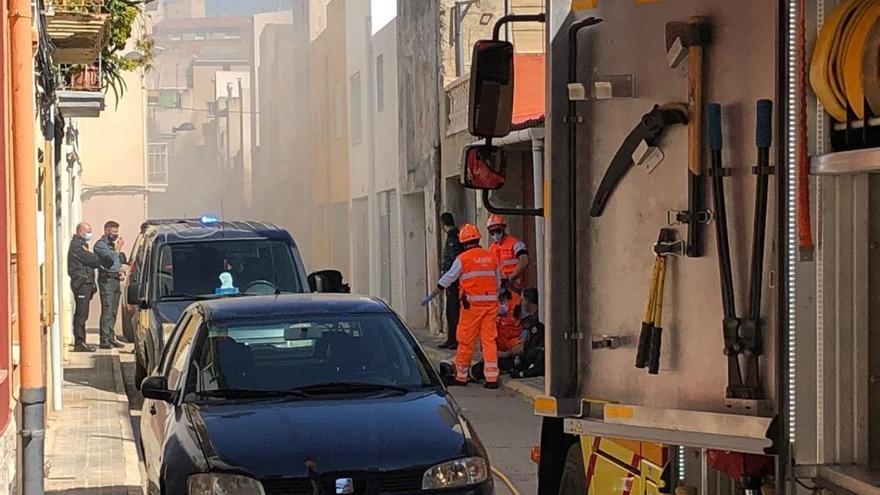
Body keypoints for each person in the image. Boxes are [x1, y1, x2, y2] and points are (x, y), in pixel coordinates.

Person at [422, 223, 500, 389]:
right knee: (489, 340)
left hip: (471, 306)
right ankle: (492, 378)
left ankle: (461, 376)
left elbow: (448, 279)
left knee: (465, 340)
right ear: (478, 239)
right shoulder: (491, 257)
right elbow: (497, 282)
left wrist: (432, 295)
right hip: (491, 305)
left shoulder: (463, 259)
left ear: (463, 243)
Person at [471, 287, 544, 380]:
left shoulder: (536, 322)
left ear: (527, 301)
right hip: (520, 355)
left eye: (522, 300)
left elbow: (526, 346)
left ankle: (469, 374)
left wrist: (506, 353)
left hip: (526, 360)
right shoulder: (530, 320)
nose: (521, 303)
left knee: (495, 363)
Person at [67, 222, 102, 352]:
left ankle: (82, 341)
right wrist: (100, 260)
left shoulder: (83, 244)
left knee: (84, 313)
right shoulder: (76, 246)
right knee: (81, 314)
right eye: (87, 231)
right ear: (80, 231)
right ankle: (79, 342)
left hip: (85, 283)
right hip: (81, 283)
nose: (89, 234)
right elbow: (91, 259)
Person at [94, 220, 126, 349]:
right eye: (114, 232)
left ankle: (111, 337)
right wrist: (118, 247)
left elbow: (116, 262)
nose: (116, 235)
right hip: (106, 280)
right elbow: (111, 258)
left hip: (115, 279)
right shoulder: (100, 245)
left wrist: (120, 271)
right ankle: (104, 339)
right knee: (107, 310)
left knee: (113, 311)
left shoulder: (112, 245)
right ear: (107, 231)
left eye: (117, 232)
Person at [439, 212, 463, 349]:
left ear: (443, 223)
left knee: (453, 311)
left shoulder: (453, 237)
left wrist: (448, 274)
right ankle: (451, 339)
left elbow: (454, 259)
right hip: (450, 280)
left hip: (453, 281)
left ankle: (454, 340)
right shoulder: (452, 236)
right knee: (450, 311)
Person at [487, 214, 529, 291]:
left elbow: (524, 260)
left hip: (516, 286)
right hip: (502, 288)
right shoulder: (491, 249)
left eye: (498, 230)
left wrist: (512, 275)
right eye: (492, 232)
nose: (495, 234)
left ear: (503, 228)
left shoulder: (515, 243)